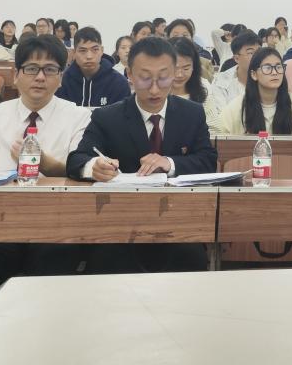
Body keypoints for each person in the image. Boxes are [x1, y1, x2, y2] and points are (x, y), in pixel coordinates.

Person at [0, 34, 91, 352]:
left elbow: (81, 173)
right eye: (32, 68)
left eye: (50, 69)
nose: (40, 77)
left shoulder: (78, 116)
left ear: (60, 77)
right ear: (16, 74)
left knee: (52, 283)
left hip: (56, 229)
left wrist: (43, 161)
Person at [67, 36, 217, 274]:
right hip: (119, 226)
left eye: (163, 77)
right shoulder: (108, 117)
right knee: (106, 260)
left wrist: (169, 163)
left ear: (174, 73)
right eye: (145, 78)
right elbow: (77, 160)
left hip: (177, 225)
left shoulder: (192, 113)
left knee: (190, 258)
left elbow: (208, 161)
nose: (155, 89)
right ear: (129, 74)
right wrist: (93, 166)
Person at [219, 48, 292, 136]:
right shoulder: (237, 107)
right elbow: (220, 135)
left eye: (278, 67)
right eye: (267, 68)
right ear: (254, 74)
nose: (274, 72)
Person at [55, 27, 132, 108]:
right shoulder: (62, 81)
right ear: (74, 53)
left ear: (102, 50)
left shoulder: (119, 83)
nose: (89, 56)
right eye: (83, 50)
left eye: (95, 50)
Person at [209, 30, 260, 120]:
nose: (257, 57)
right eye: (251, 53)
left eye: (259, 52)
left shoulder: (269, 77)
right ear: (236, 58)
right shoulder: (221, 81)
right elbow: (222, 117)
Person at [168, 36, 217, 129]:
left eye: (186, 68)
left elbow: (214, 129)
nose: (180, 74)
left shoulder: (203, 91)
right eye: (174, 68)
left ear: (194, 67)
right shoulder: (155, 94)